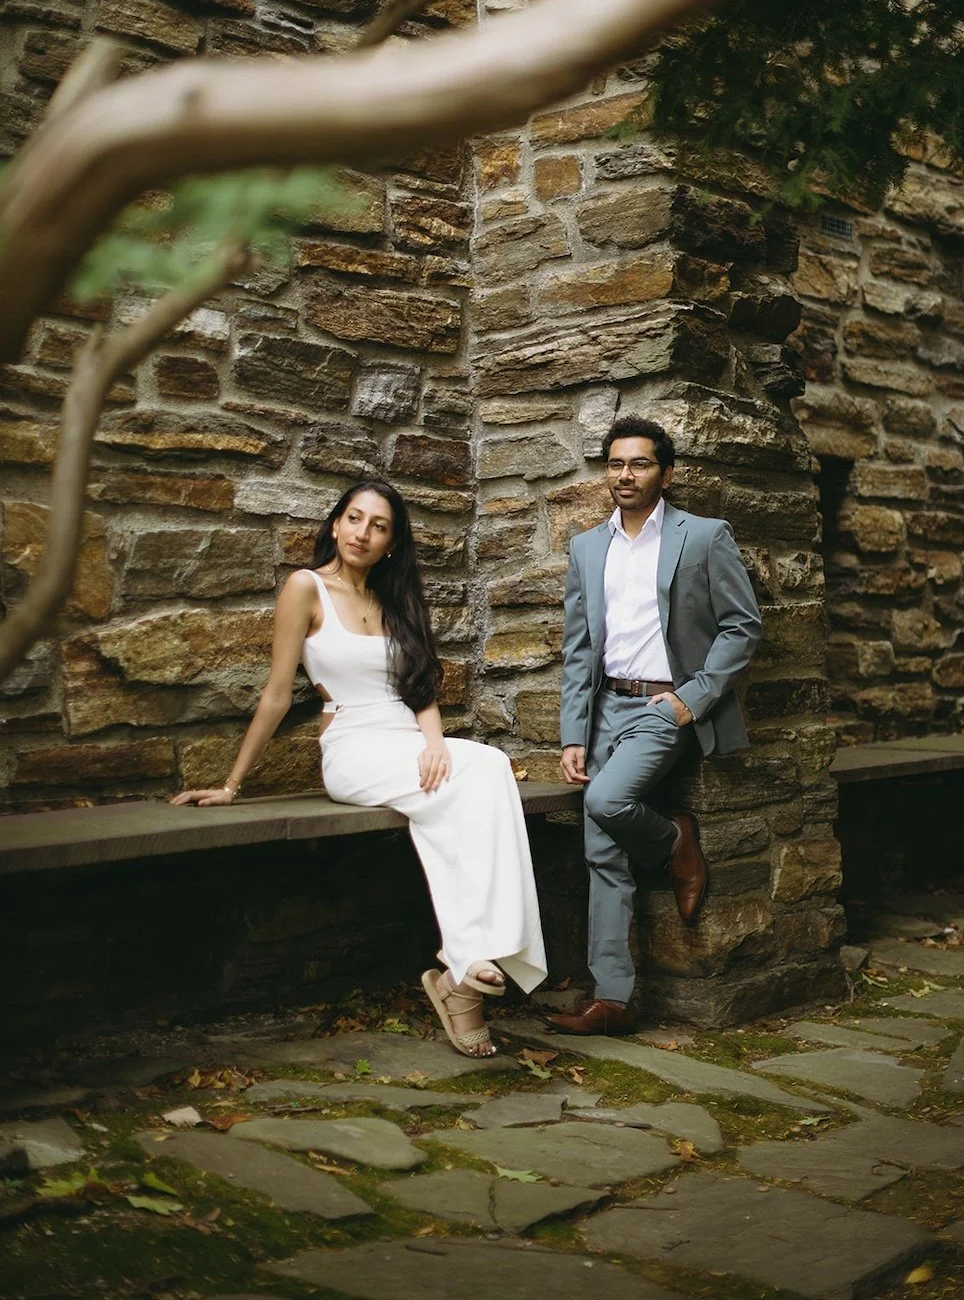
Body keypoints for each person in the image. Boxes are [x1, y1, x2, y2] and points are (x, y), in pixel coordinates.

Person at [170, 478, 546, 1057]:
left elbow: (420, 687)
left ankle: (465, 968)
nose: (361, 533)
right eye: (353, 518)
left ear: (392, 543)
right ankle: (471, 960)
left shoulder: (394, 601)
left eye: (378, 526)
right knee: (463, 792)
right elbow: (275, 693)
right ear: (335, 523)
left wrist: (435, 742)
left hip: (405, 736)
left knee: (489, 765)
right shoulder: (306, 588)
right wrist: (229, 784)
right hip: (353, 745)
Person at [547, 415, 762, 1037]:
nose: (625, 475)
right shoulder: (588, 547)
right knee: (600, 850)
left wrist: (693, 698)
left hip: (665, 707)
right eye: (615, 463)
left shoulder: (704, 536)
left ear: (665, 474)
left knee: (607, 800)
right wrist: (571, 733)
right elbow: (579, 649)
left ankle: (675, 840)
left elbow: (742, 626)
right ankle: (613, 997)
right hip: (605, 708)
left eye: (639, 464)